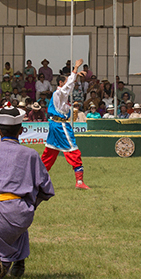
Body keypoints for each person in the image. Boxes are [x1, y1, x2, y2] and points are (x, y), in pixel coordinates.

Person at [0, 104, 55, 279]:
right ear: (22, 130)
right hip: (22, 212)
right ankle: (20, 259)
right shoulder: (31, 154)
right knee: (17, 222)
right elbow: (47, 189)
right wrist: (30, 204)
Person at [42, 59, 90, 189]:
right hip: (60, 125)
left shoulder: (61, 95)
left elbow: (69, 86)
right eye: (68, 82)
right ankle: (79, 182)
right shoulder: (59, 93)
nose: (71, 84)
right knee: (73, 150)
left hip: (55, 125)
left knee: (50, 152)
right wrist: (74, 69)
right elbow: (67, 87)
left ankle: (36, 179)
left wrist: (74, 77)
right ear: (60, 83)